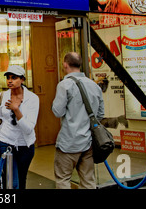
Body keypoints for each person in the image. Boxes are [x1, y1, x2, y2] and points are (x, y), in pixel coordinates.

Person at [52, 52, 104, 189]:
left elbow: (58, 112)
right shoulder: (94, 85)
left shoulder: (65, 85)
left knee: (63, 179)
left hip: (68, 143)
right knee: (88, 181)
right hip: (88, 142)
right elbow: (100, 114)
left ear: (65, 64)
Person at [0, 65, 39, 189]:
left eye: (14, 78)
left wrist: (16, 110)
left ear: (22, 79)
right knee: (12, 182)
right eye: (8, 78)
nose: (10, 81)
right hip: (6, 142)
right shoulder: (1, 96)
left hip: (25, 145)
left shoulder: (33, 99)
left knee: (21, 180)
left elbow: (29, 128)